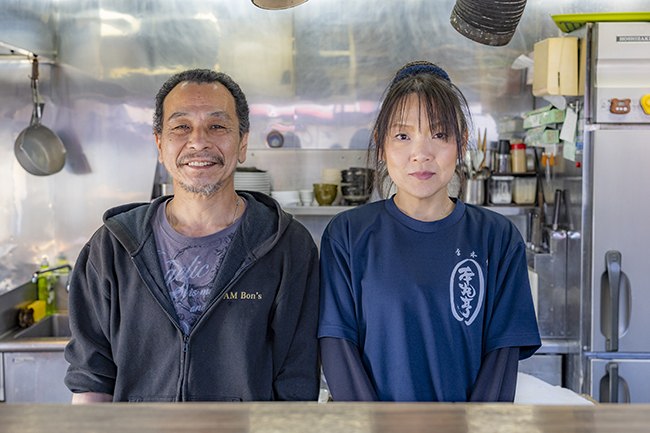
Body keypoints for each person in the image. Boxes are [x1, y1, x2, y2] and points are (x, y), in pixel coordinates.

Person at [64, 68, 320, 402]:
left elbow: (296, 382)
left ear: (242, 142)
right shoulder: (112, 246)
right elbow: (92, 380)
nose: (198, 141)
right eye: (181, 126)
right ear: (159, 143)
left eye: (217, 126)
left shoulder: (286, 245)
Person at [318, 61, 541, 402]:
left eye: (439, 135)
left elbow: (501, 359)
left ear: (461, 142)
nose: (421, 154)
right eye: (403, 136)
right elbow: (337, 347)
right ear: (382, 144)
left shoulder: (497, 239)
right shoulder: (347, 236)